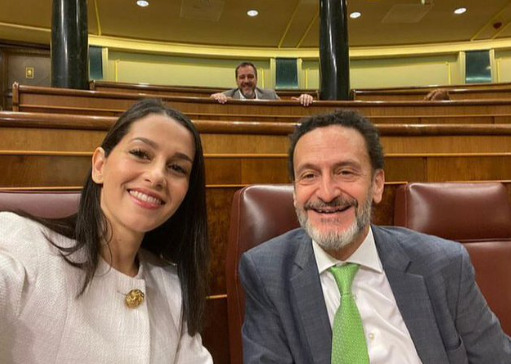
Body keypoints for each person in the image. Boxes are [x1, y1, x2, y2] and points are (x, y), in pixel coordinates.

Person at [239, 110, 511, 363]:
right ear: (296, 193)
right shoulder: (267, 274)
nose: (327, 192)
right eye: (309, 175)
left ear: (377, 184)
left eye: (345, 172)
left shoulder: (444, 264)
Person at [0, 99, 213, 363]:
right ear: (100, 165)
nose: (157, 176)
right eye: (141, 153)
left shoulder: (172, 286)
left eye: (177, 168)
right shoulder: (21, 243)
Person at [210, 61, 314, 106]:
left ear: (256, 78)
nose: (246, 81)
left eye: (250, 77)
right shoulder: (227, 96)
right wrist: (214, 98)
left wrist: (303, 99)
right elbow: (210, 104)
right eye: (242, 77)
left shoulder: (270, 95)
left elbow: (286, 109)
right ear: (236, 80)